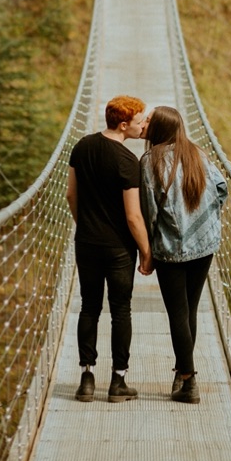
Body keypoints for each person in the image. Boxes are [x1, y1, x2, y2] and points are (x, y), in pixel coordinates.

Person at [138, 105, 228, 404]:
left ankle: (189, 380)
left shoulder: (150, 160)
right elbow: (221, 188)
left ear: (160, 127)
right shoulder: (199, 153)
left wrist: (146, 250)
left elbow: (150, 211)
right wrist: (206, 217)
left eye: (149, 120)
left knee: (178, 313)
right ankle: (182, 370)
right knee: (189, 309)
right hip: (205, 243)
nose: (145, 123)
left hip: (172, 248)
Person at [66, 95, 152, 403]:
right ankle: (118, 382)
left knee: (89, 307)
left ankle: (86, 379)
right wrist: (145, 250)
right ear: (124, 124)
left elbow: (70, 196)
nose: (145, 126)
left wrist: (84, 225)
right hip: (118, 248)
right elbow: (133, 216)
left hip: (86, 243)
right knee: (120, 310)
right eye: (141, 121)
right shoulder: (128, 161)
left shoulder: (82, 146)